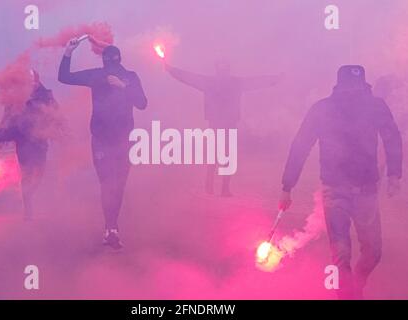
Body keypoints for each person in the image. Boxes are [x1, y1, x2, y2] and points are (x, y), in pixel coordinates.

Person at [279, 65, 403, 299]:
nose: (352, 92)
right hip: (334, 192)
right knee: (341, 253)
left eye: (356, 86)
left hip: (367, 191)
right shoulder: (323, 109)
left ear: (363, 86)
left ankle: (357, 284)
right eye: (348, 87)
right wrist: (287, 186)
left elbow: (392, 138)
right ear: (339, 86)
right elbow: (300, 146)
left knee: (374, 253)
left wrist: (394, 174)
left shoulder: (375, 107)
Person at [58, 39, 147, 250]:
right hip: (101, 139)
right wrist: (69, 51)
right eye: (109, 62)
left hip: (123, 139)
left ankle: (112, 226)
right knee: (107, 183)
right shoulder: (97, 75)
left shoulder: (130, 77)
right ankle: (111, 227)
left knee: (119, 184)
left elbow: (142, 103)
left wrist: (124, 87)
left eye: (113, 62)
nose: (111, 66)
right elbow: (64, 77)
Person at [165, 60, 280, 196]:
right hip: (223, 123)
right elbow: (256, 82)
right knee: (223, 156)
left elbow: (187, 77)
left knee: (219, 156)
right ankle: (219, 188)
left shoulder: (211, 82)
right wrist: (275, 79)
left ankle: (214, 187)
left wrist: (171, 70)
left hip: (221, 123)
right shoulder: (232, 83)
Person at [0, 70, 58, 221]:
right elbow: (7, 117)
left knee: (40, 172)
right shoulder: (17, 97)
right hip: (23, 142)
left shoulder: (45, 95)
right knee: (26, 174)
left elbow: (57, 113)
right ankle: (27, 204)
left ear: (37, 82)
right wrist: (0, 136)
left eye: (32, 81)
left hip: (40, 141)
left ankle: (30, 194)